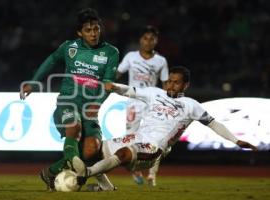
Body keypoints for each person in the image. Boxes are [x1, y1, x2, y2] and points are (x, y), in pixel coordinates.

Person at [74, 66, 258, 188]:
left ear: (185, 84)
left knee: (122, 153)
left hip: (154, 147)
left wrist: (236, 140)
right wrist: (113, 86)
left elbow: (214, 124)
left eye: (176, 82)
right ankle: (107, 189)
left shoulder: (191, 105)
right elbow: (129, 91)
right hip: (137, 137)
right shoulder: (155, 93)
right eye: (169, 80)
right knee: (93, 151)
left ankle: (86, 174)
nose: (170, 84)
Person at [19, 8, 119, 191]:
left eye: (96, 29)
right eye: (88, 30)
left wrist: (97, 104)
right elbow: (51, 60)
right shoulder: (69, 47)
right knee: (74, 126)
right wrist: (33, 83)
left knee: (91, 150)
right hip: (68, 101)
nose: (93, 33)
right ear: (79, 33)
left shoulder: (111, 52)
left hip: (90, 107)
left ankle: (50, 172)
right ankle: (73, 166)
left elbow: (108, 85)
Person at [117, 25, 169, 186]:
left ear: (156, 41)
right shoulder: (131, 57)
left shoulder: (161, 61)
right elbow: (117, 73)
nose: (148, 42)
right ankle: (135, 170)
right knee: (130, 138)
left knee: (157, 139)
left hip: (152, 104)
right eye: (145, 38)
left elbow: (166, 84)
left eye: (151, 39)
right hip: (133, 104)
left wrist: (168, 103)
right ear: (140, 40)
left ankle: (152, 175)